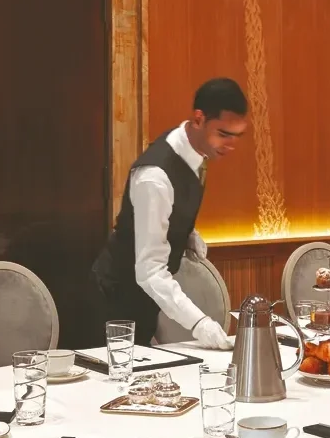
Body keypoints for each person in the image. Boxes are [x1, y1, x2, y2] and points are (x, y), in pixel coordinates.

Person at [91, 78, 247, 349]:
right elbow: (149, 272)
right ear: (199, 119)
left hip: (142, 301)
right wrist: (200, 324)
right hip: (114, 302)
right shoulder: (155, 176)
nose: (230, 145)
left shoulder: (193, 151)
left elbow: (166, 209)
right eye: (223, 134)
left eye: (237, 136)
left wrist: (185, 232)